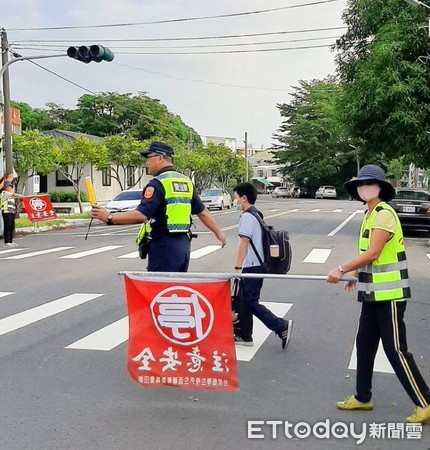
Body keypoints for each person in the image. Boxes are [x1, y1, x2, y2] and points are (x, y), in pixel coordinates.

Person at [327, 164, 430, 424]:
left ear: (380, 188)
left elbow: (373, 252)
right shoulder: (370, 213)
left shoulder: (384, 213)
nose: (364, 188)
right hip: (373, 292)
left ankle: (425, 401)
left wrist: (341, 269)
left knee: (395, 349)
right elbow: (373, 258)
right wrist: (357, 275)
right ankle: (363, 397)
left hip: (390, 295)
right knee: (365, 343)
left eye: (369, 184)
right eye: (361, 184)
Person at [91, 141, 226, 272]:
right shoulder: (185, 182)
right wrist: (218, 233)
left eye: (149, 158)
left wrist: (109, 217)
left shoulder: (157, 184)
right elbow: (203, 212)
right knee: (175, 288)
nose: (146, 162)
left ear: (160, 158)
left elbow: (141, 215)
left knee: (160, 290)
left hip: (164, 246)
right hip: (183, 246)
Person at [232, 182, 292, 349]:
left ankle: (280, 326)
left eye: (236, 197)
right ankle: (244, 335)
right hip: (257, 265)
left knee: (250, 302)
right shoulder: (256, 214)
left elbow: (244, 243)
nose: (235, 200)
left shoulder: (246, 217)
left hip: (251, 266)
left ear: (244, 198)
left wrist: (237, 268)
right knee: (245, 302)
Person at [1, 173, 23, 247]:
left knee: (12, 226)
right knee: (7, 226)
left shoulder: (9, 190)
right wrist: (19, 195)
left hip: (11, 210)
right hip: (6, 210)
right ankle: (7, 242)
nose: (10, 188)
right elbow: (12, 194)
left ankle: (11, 241)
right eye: (9, 187)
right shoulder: (5, 191)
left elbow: (13, 195)